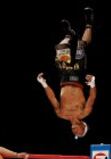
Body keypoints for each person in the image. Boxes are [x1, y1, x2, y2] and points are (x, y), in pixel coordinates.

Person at [37, 7, 96, 139]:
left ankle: (69, 35)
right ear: (83, 126)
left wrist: (44, 84)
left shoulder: (61, 114)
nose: (75, 133)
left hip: (64, 76)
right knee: (81, 45)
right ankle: (89, 23)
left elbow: (52, 98)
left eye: (75, 135)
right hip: (78, 75)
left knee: (61, 47)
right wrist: (92, 84)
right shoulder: (84, 113)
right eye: (80, 133)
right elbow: (91, 99)